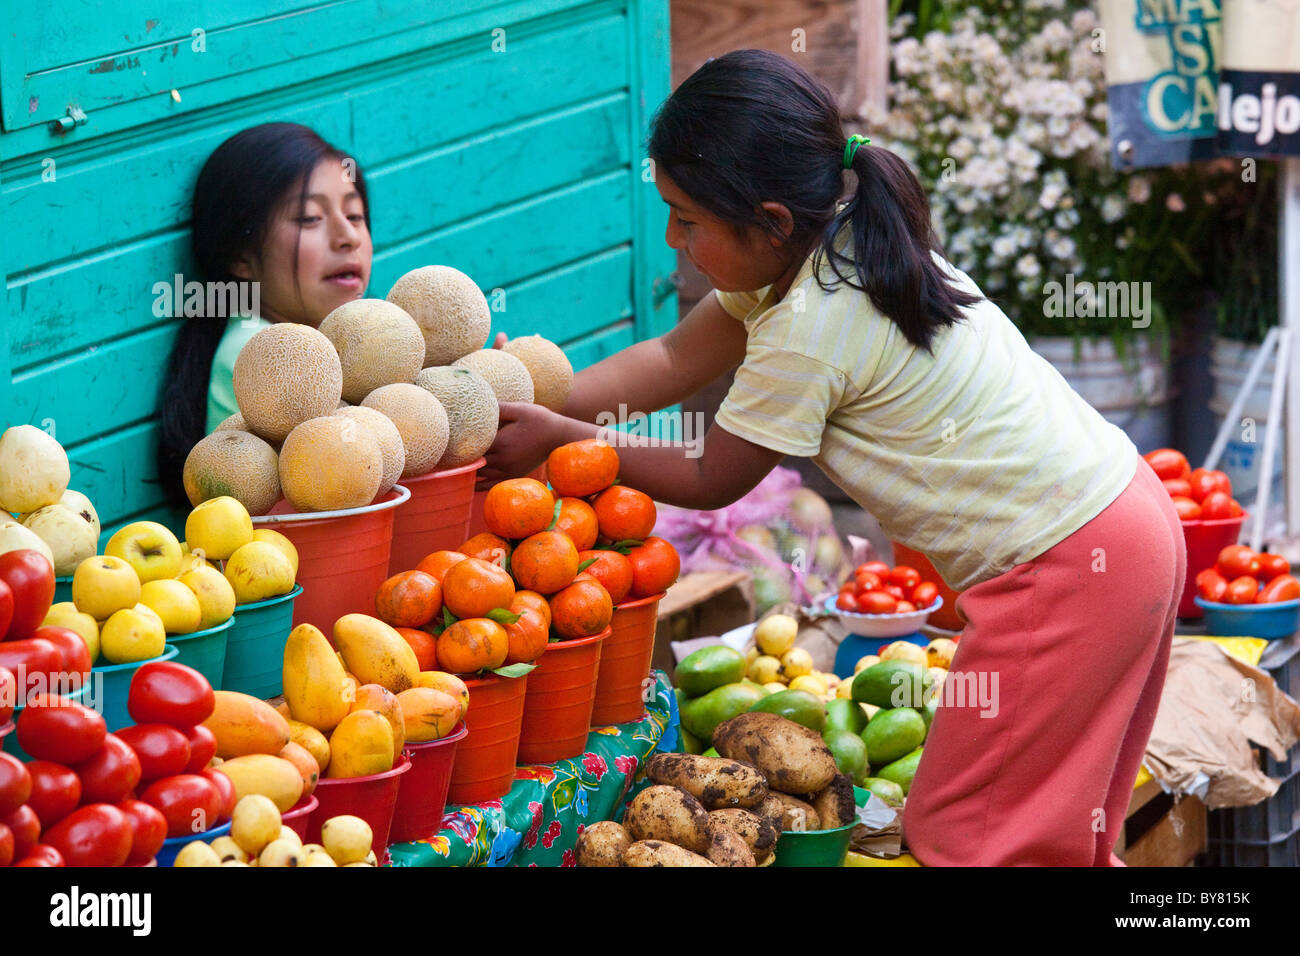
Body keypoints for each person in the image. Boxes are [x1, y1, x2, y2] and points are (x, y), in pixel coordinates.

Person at [482, 49, 1185, 866]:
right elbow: (672, 361)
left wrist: (566, 442)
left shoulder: (809, 326)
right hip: (1122, 525)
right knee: (1058, 837)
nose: (674, 238)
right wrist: (537, 397)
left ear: (771, 220)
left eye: (688, 219)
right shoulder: (832, 244)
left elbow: (713, 476)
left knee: (968, 837)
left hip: (1065, 569)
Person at [156, 123, 373, 508]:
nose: (348, 237)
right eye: (310, 219)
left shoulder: (353, 341)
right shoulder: (255, 351)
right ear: (242, 257)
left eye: (355, 216)